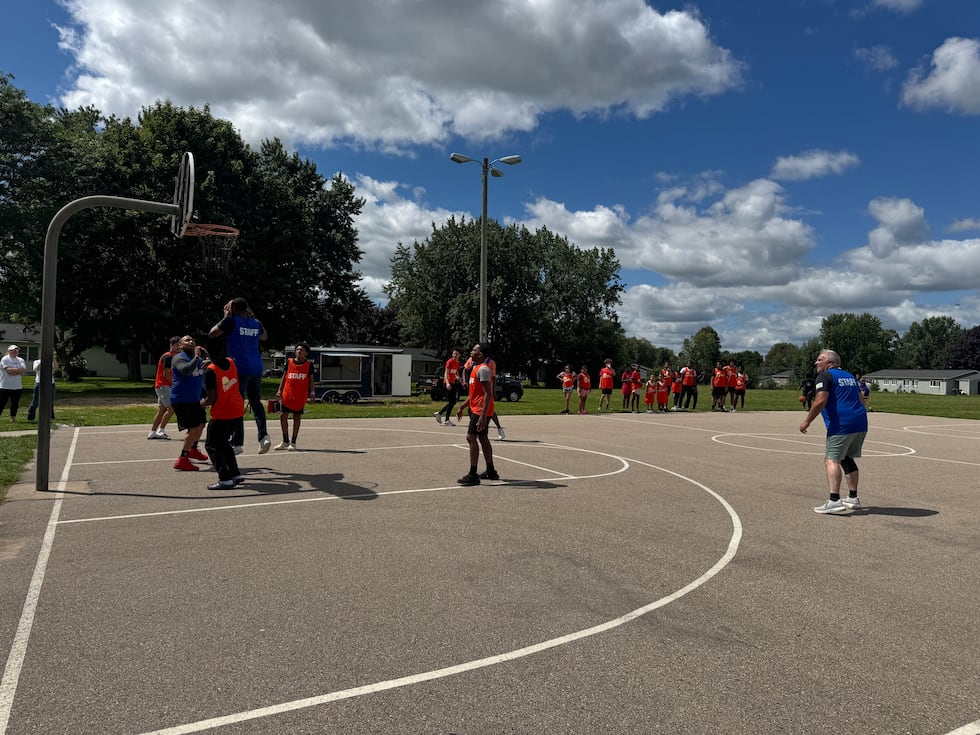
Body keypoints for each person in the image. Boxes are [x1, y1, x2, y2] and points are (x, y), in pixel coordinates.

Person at [800, 349, 868, 514]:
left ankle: (834, 500)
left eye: (819, 359)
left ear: (830, 362)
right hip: (860, 422)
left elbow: (820, 400)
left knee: (832, 460)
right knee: (846, 458)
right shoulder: (849, 376)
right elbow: (861, 399)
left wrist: (807, 421)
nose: (816, 363)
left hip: (841, 425)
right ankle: (853, 498)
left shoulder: (825, 376)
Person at [208, 297, 271, 455]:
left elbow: (212, 333)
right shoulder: (255, 323)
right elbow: (264, 336)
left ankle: (237, 442)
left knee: (238, 402)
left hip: (239, 368)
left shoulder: (232, 321)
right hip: (256, 367)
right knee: (256, 401)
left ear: (233, 309)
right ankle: (263, 436)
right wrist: (251, 315)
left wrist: (225, 317)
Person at [202, 339, 245, 490]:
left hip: (222, 412)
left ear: (208, 353)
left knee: (212, 445)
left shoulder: (210, 371)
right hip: (236, 409)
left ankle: (224, 478)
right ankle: (235, 473)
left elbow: (212, 398)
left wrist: (202, 403)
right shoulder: (231, 362)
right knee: (224, 443)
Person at [457, 343, 498, 486]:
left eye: (474, 350)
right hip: (477, 409)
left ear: (480, 355)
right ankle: (491, 471)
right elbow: (474, 393)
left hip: (481, 410)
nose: (471, 352)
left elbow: (488, 394)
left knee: (471, 437)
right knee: (483, 437)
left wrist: (482, 416)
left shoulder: (484, 370)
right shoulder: (476, 368)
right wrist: (462, 406)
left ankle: (473, 474)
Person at [170, 335, 210, 472]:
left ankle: (193, 449)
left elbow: (209, 368)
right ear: (180, 345)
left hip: (194, 399)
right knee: (193, 428)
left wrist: (207, 355)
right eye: (187, 340)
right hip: (182, 399)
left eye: (193, 340)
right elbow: (186, 370)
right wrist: (197, 357)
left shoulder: (197, 359)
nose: (191, 341)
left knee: (201, 424)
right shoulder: (179, 358)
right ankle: (182, 459)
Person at [273, 342, 316, 450]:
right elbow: (284, 377)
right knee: (283, 416)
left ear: (306, 353)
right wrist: (279, 390)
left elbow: (311, 381)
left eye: (301, 350)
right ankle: (285, 441)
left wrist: (312, 392)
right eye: (297, 349)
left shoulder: (309, 365)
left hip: (300, 395)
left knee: (297, 417)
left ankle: (293, 442)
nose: (299, 351)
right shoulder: (289, 362)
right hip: (287, 394)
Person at [148, 336, 179, 439]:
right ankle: (161, 430)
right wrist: (175, 385)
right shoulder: (168, 357)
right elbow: (166, 374)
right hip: (164, 385)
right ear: (171, 345)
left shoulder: (173, 357)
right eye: (176, 345)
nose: (178, 347)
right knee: (171, 409)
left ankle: (153, 432)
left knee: (162, 409)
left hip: (162, 386)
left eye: (180, 345)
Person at [434, 349, 462, 427]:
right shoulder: (450, 362)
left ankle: (440, 414)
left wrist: (462, 382)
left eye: (456, 354)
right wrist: (447, 383)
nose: (455, 355)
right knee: (452, 401)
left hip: (452, 383)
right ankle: (446, 420)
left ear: (459, 355)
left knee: (453, 402)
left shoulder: (458, 363)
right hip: (447, 383)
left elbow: (456, 374)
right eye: (454, 354)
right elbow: (446, 373)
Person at [27, 354, 58, 422]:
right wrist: (43, 360)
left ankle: (50, 417)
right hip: (39, 382)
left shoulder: (52, 362)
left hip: (51, 383)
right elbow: (36, 368)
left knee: (50, 401)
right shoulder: (37, 361)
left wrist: (53, 359)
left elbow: (56, 368)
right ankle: (31, 417)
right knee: (36, 400)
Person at [0, 345, 28, 421]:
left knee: (15, 404)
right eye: (13, 350)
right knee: (2, 403)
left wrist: (14, 370)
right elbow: (9, 371)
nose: (15, 352)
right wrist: (18, 371)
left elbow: (24, 370)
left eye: (17, 350)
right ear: (9, 351)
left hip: (17, 386)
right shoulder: (5, 359)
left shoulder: (20, 360)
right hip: (5, 386)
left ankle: (13, 418)